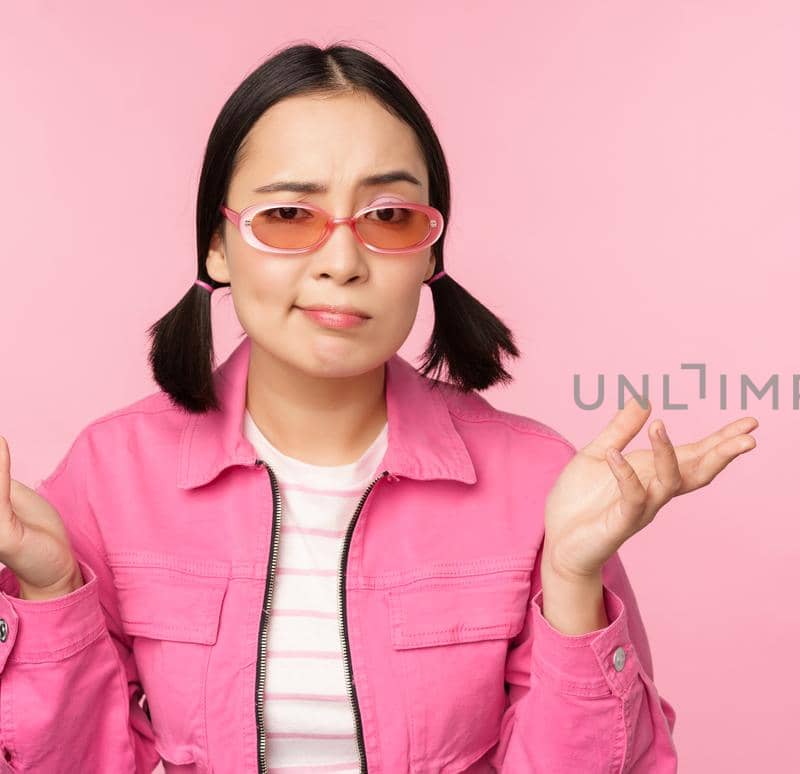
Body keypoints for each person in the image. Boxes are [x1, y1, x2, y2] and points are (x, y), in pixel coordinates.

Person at [0, 42, 757, 773]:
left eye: (388, 217)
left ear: (430, 253)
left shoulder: (537, 482)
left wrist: (569, 580)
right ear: (217, 248)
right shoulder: (110, 475)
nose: (341, 260)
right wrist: (50, 592)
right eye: (289, 216)